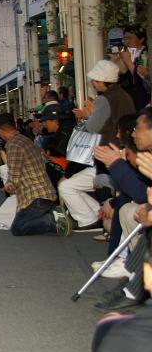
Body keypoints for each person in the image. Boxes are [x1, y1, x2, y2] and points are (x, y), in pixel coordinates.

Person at [61, 60, 135, 231]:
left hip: (107, 151)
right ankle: (107, 225)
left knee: (107, 191)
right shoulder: (124, 95)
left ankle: (109, 228)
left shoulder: (104, 99)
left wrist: (87, 115)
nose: (93, 84)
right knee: (118, 192)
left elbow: (93, 127)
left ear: (103, 80)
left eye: (95, 80)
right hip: (125, 150)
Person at [89, 226, 152, 352]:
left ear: (147, 276)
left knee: (108, 327)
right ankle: (126, 270)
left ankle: (130, 281)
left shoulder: (117, 330)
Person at [0, 113, 70, 237]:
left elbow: (14, 176)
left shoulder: (13, 145)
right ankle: (53, 213)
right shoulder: (25, 139)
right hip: (45, 193)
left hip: (35, 198)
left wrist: (7, 187)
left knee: (18, 228)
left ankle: (52, 220)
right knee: (22, 222)